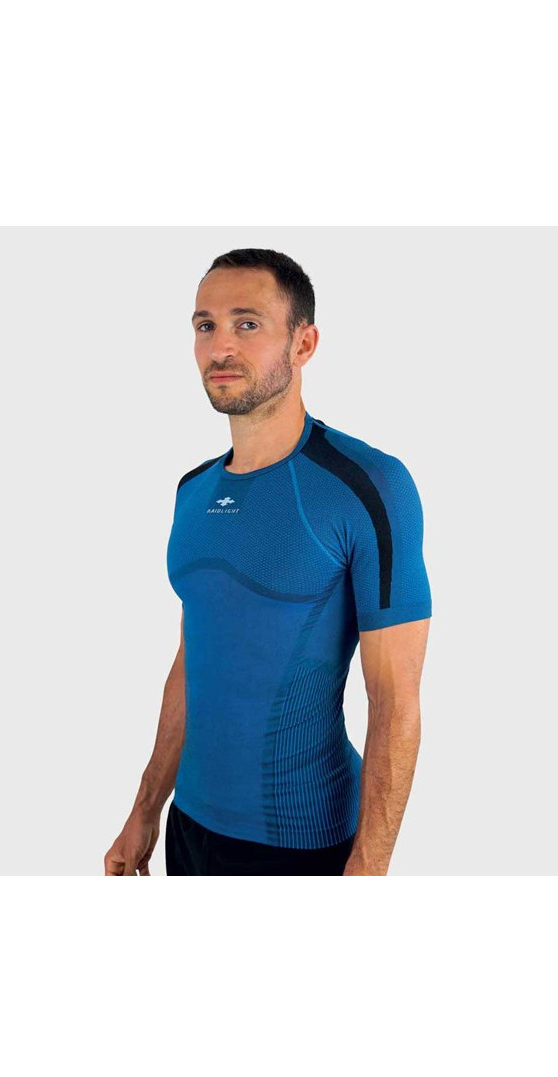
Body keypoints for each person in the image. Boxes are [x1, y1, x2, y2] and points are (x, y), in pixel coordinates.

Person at [104, 249, 432, 876]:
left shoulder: (368, 485)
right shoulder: (193, 491)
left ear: (303, 343)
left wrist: (369, 871)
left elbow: (396, 701)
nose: (220, 347)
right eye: (206, 326)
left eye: (247, 323)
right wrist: (146, 808)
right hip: (189, 828)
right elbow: (195, 658)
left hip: (302, 842)